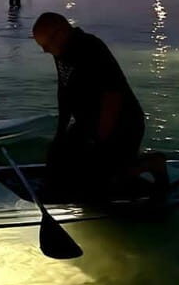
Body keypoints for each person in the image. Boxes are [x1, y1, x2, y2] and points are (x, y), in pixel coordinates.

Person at [32, 12, 167, 202]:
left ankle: (151, 163)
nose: (45, 51)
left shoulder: (91, 48)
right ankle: (113, 164)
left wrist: (100, 143)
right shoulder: (61, 53)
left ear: (61, 33)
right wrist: (60, 134)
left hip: (122, 125)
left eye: (46, 45)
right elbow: (64, 94)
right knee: (57, 162)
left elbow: (113, 96)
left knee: (96, 183)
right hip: (88, 123)